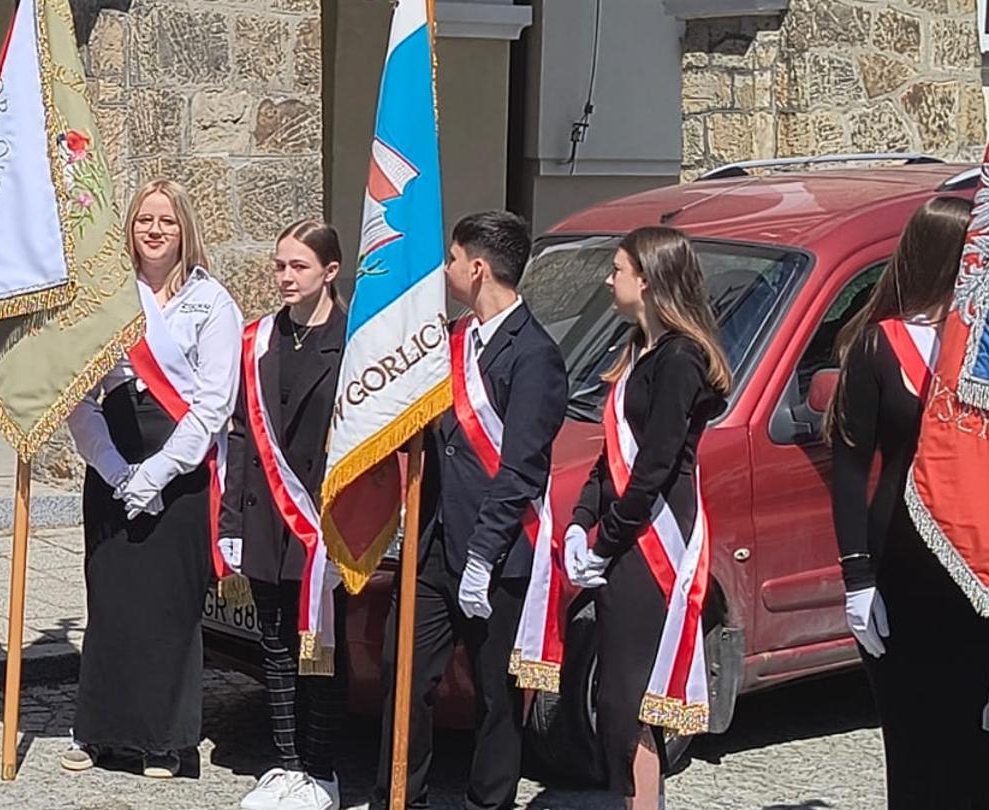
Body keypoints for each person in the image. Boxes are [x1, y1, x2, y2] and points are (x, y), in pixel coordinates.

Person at [373, 211, 566, 810]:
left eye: (453, 259)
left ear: (477, 268)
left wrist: (482, 555)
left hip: (498, 555)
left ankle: (489, 803)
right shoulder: (452, 338)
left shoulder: (535, 355)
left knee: (496, 698)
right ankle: (399, 797)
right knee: (403, 676)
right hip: (433, 547)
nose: (447, 268)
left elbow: (522, 468)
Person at [63, 179, 242, 779]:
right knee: (110, 605)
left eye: (166, 220)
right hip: (114, 459)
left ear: (184, 228)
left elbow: (214, 402)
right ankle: (100, 734)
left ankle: (166, 743)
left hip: (181, 470)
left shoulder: (211, 301)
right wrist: (115, 470)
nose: (155, 230)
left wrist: (160, 472)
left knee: (169, 611)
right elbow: (77, 396)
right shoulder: (107, 300)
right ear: (130, 229)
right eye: (145, 220)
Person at [827, 196, 989, 808]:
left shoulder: (979, 353)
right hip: (901, 558)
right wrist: (857, 578)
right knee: (916, 735)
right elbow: (849, 468)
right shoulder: (877, 347)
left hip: (974, 562)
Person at [563, 226, 731, 810]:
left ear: (650, 280)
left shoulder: (681, 359)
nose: (610, 280)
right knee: (614, 697)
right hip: (621, 535)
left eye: (618, 269)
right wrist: (579, 523)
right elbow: (609, 458)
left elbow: (655, 464)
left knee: (631, 699)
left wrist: (606, 542)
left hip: (653, 538)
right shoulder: (637, 351)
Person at [221, 219, 353, 810]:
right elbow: (243, 439)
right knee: (274, 644)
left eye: (298, 266)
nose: (285, 277)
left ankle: (322, 769)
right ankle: (285, 763)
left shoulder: (351, 343)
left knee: (319, 647)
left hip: (324, 521)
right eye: (279, 265)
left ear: (330, 271)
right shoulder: (261, 341)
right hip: (267, 515)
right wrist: (230, 524)